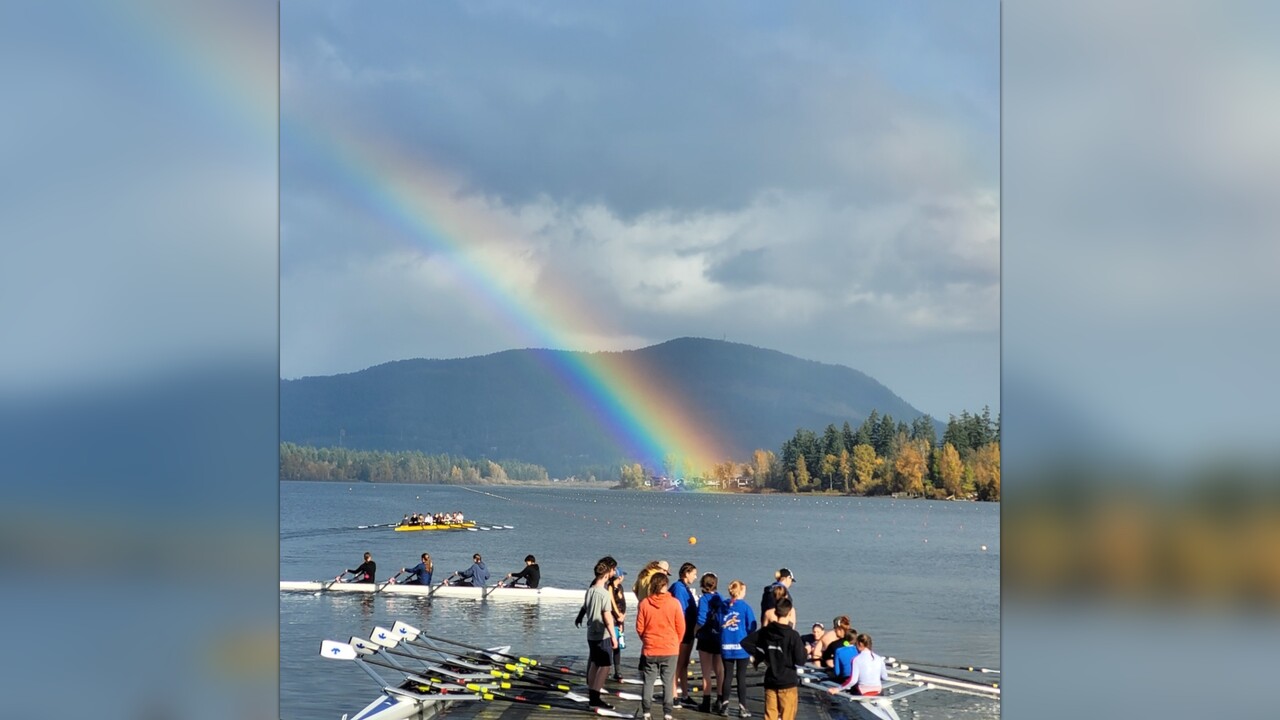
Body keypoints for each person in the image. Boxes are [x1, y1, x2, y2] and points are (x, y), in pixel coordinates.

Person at [740, 598, 806, 720]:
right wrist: (805, 650)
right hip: (787, 681)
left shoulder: (766, 631)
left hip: (771, 680)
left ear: (775, 612)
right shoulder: (793, 635)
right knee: (787, 716)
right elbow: (800, 661)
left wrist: (761, 655)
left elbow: (745, 643)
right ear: (789, 613)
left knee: (770, 716)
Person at [635, 572, 684, 720]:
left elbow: (639, 627)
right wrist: (676, 642)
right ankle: (667, 713)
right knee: (668, 682)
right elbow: (681, 627)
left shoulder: (644, 603)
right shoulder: (674, 603)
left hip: (650, 648)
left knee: (648, 681)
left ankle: (646, 712)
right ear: (665, 585)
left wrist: (646, 640)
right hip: (670, 648)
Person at [575, 556, 618, 709]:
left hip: (591, 634)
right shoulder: (604, 593)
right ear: (607, 573)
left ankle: (592, 695)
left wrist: (579, 617)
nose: (614, 573)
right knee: (605, 666)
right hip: (602, 634)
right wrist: (614, 636)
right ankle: (596, 698)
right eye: (613, 570)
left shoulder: (590, 590)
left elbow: (585, 607)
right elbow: (607, 617)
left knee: (594, 663)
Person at [718, 580, 758, 718]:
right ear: (741, 592)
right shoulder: (745, 607)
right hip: (741, 647)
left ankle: (724, 705)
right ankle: (742, 707)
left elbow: (718, 623)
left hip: (726, 646)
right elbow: (752, 626)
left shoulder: (722, 606)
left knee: (727, 676)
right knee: (741, 677)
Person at [694, 573, 726, 713]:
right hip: (718, 636)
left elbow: (701, 619)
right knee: (719, 670)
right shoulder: (721, 598)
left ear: (703, 584)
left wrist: (695, 631)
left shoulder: (704, 599)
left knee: (706, 671)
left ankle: (706, 702)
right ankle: (720, 699)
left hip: (706, 637)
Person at [669, 562, 699, 706]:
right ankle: (673, 695)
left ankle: (685, 694)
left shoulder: (685, 588)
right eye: (694, 574)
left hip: (690, 630)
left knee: (685, 663)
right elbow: (679, 611)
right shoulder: (678, 588)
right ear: (686, 573)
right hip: (683, 630)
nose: (695, 577)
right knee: (679, 664)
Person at [607, 569, 628, 681]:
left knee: (618, 645)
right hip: (613, 619)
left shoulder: (620, 587)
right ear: (619, 577)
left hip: (620, 619)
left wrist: (623, 615)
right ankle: (607, 669)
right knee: (611, 644)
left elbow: (623, 603)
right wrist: (618, 616)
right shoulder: (610, 587)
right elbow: (612, 603)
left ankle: (617, 670)